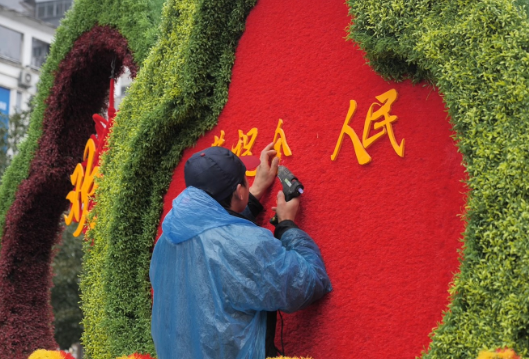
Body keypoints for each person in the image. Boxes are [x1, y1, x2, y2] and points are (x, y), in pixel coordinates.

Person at [150, 143, 332, 359]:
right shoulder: (247, 245)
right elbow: (309, 282)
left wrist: (253, 194)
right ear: (238, 191)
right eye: (246, 180)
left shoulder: (167, 238)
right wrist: (287, 224)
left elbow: (212, 231)